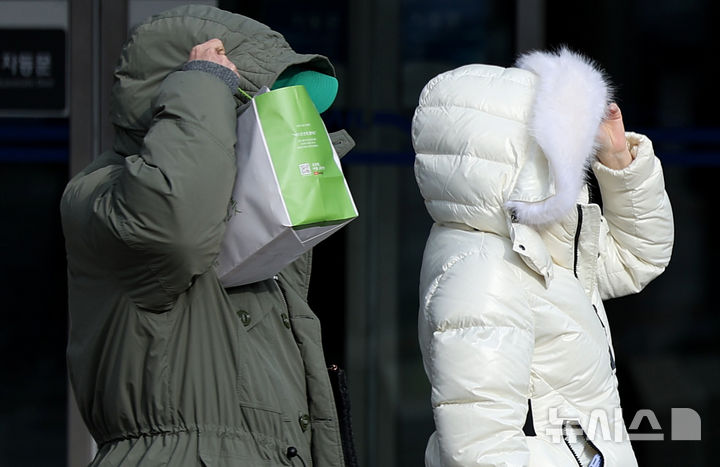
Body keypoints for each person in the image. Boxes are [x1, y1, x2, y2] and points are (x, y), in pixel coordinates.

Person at [60, 5, 354, 466]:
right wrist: (203, 84)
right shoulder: (104, 195)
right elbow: (173, 229)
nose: (283, 127)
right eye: (259, 107)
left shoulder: (239, 217)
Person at [412, 47, 673, 466]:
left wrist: (618, 156)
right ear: (517, 158)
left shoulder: (536, 238)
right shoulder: (484, 273)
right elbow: (481, 454)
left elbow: (638, 257)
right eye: (561, 143)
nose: (574, 158)